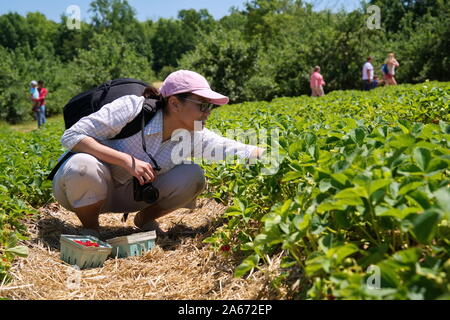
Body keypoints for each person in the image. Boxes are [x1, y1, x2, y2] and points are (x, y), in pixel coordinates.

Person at [51, 70, 265, 239]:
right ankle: (92, 230)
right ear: (174, 103)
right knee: (82, 165)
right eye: (202, 105)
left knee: (193, 175)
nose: (207, 112)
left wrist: (269, 155)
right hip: (86, 188)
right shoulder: (131, 109)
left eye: (210, 107)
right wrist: (126, 160)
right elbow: (71, 136)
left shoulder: (193, 134)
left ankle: (144, 220)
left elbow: (231, 148)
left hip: (133, 195)